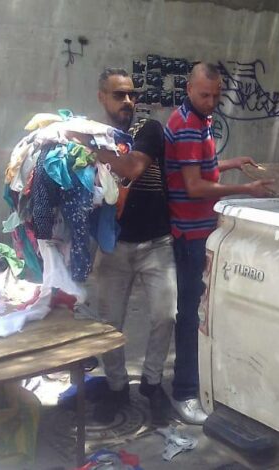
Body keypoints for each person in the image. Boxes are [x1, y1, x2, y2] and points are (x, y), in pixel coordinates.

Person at [165, 62, 272, 424]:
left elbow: (201, 167)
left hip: (200, 229)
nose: (211, 101)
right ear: (189, 89)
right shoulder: (186, 125)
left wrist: (230, 163)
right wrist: (246, 190)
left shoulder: (199, 119)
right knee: (190, 314)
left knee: (200, 310)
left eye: (215, 95)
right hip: (189, 233)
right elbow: (194, 186)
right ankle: (184, 393)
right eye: (204, 95)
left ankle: (198, 382)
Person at [91, 67, 175, 425]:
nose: (128, 101)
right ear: (102, 98)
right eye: (119, 95)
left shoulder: (147, 129)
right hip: (113, 245)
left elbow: (132, 167)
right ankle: (116, 387)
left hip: (156, 243)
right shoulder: (94, 135)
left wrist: (89, 149)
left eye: (131, 94)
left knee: (166, 315)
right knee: (110, 324)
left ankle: (152, 385)